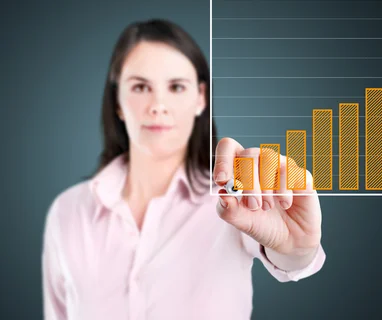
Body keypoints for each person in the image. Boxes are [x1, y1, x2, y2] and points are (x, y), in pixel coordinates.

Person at [42, 19, 326, 320]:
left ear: (200, 98)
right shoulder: (68, 212)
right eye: (140, 87)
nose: (158, 105)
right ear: (118, 103)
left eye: (176, 86)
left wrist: (297, 249)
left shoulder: (236, 199)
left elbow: (290, 256)